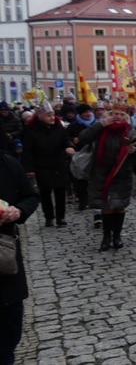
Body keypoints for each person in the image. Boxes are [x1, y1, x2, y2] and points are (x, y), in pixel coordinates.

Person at [78, 104, 136, 251]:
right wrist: (99, 125)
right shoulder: (100, 128)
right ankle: (106, 237)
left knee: (119, 206)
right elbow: (83, 138)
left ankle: (117, 236)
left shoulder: (130, 130)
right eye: (114, 114)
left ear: (125, 117)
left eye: (121, 114)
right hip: (101, 172)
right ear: (109, 115)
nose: (117, 117)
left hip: (122, 174)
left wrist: (133, 151)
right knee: (106, 206)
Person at [0, 154, 40, 365]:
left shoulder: (8, 163)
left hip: (5, 260)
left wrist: (19, 211)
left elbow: (30, 196)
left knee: (7, 337)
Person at [21, 102, 75, 227]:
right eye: (48, 115)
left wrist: (69, 146)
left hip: (58, 163)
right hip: (42, 165)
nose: (52, 118)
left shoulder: (58, 126)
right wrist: (29, 169)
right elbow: (27, 151)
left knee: (60, 191)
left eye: (52, 115)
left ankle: (60, 217)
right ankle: (49, 217)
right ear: (40, 116)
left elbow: (65, 140)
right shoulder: (31, 129)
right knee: (45, 193)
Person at [66, 103, 96, 212]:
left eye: (89, 111)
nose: (88, 114)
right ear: (80, 114)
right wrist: (73, 141)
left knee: (94, 179)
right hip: (79, 155)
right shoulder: (74, 126)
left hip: (94, 153)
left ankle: (92, 199)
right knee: (80, 180)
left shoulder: (96, 123)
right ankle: (83, 201)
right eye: (85, 112)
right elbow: (66, 138)